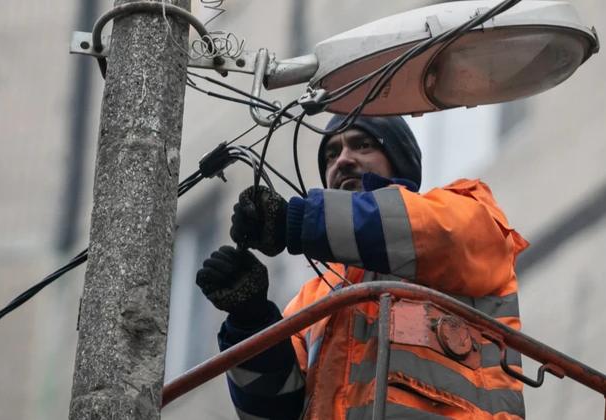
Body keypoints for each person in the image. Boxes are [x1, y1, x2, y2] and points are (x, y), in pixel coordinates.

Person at [195, 115, 529, 419]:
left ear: (399, 162)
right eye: (331, 154)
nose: (343, 160)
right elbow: (275, 414)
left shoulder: (469, 212)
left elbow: (429, 231)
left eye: (362, 145)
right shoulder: (312, 301)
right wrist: (251, 321)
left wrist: (297, 222)